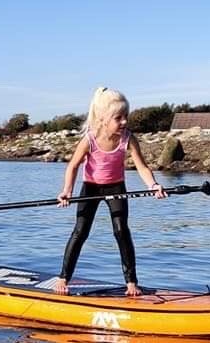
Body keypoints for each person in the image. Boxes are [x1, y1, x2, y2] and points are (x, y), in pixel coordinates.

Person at [55, 86, 166, 296]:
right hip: (91, 188)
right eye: (118, 118)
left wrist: (153, 185)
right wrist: (67, 190)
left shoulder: (128, 138)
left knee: (121, 231)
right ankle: (63, 277)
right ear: (103, 119)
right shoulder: (89, 139)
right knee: (80, 232)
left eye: (126, 116)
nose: (124, 122)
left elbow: (142, 167)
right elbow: (73, 166)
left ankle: (131, 282)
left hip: (116, 187)